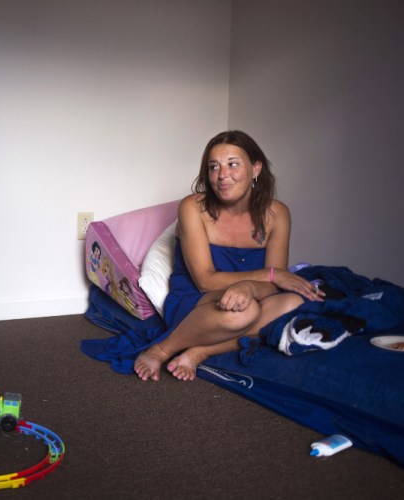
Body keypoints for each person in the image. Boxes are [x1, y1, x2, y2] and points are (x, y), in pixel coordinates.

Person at [134, 130, 323, 382]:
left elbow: (273, 286)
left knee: (292, 305)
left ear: (255, 169)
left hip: (249, 296)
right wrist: (270, 276)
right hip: (196, 300)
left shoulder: (277, 213)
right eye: (214, 167)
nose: (222, 175)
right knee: (243, 313)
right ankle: (161, 349)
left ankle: (200, 351)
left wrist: (251, 287)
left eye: (232, 164)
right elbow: (204, 281)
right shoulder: (193, 208)